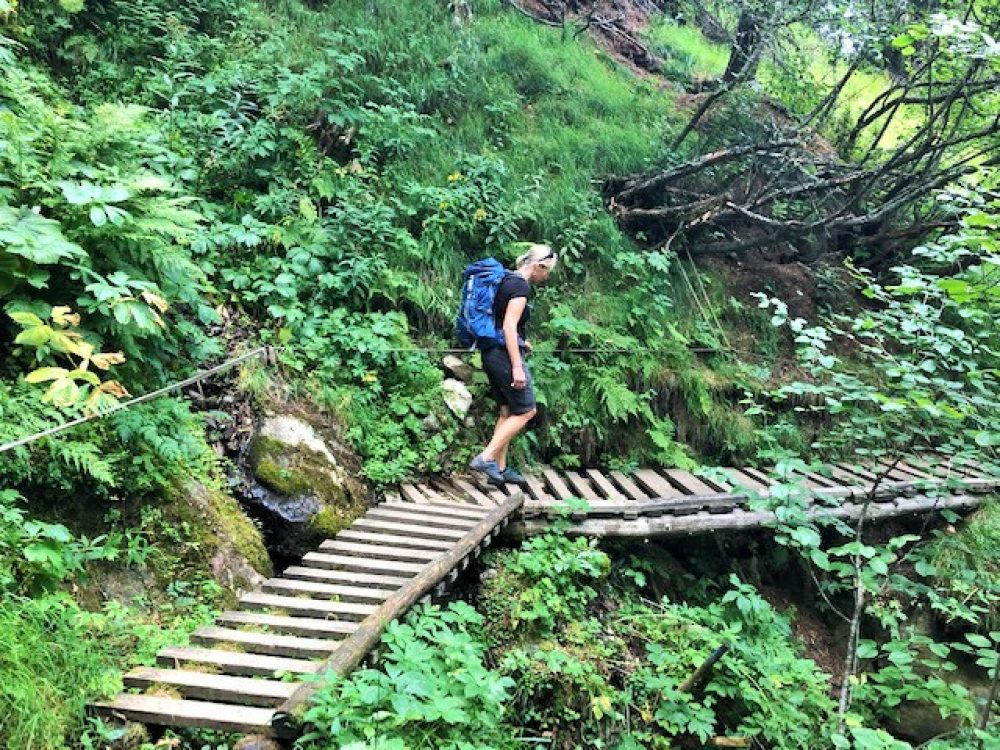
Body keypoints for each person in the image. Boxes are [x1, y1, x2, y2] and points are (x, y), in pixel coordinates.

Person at [469, 244, 557, 485]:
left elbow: (501, 323)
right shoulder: (521, 286)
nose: (546, 276)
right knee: (527, 410)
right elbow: (508, 325)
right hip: (505, 357)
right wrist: (517, 366)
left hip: (491, 352)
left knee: (507, 411)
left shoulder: (506, 279)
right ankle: (486, 458)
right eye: (547, 271)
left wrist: (521, 341)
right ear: (538, 266)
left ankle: (501, 467)